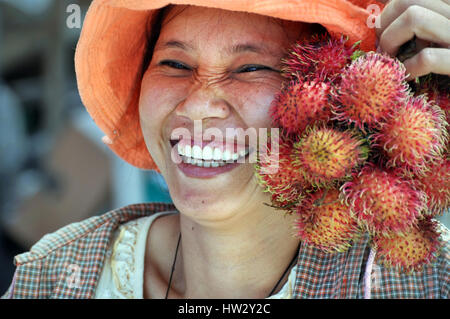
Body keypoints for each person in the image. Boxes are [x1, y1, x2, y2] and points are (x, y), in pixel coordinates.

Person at [2, 0, 449, 299]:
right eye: (175, 64)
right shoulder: (56, 275)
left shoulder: (422, 281)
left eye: (251, 68)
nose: (197, 104)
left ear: (332, 108)